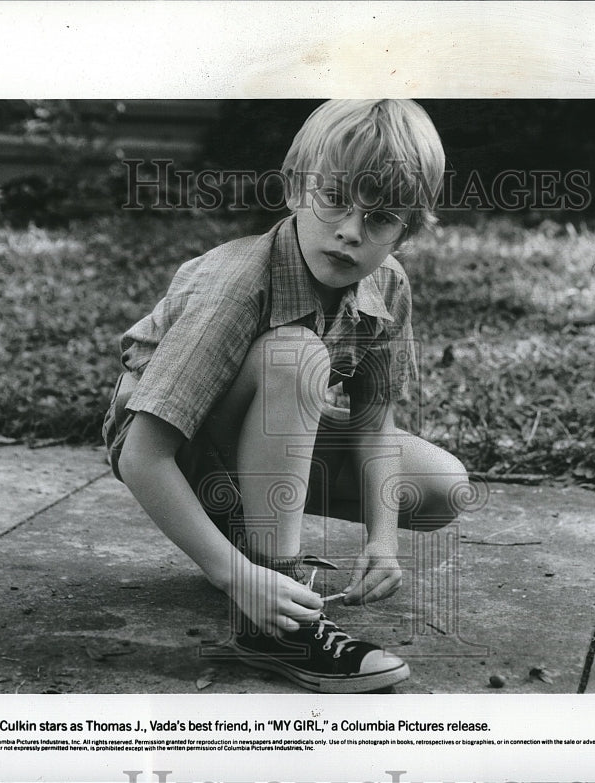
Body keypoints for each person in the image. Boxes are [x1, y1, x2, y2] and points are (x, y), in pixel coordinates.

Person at [103, 99, 469, 693]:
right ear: (296, 189)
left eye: (380, 218)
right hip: (175, 445)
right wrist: (235, 580)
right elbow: (141, 455)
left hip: (259, 434)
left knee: (440, 487)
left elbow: (376, 426)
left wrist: (381, 542)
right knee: (294, 355)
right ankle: (269, 625)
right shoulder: (237, 285)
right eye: (334, 200)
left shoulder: (388, 284)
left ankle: (247, 540)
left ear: (408, 229)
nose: (351, 230)